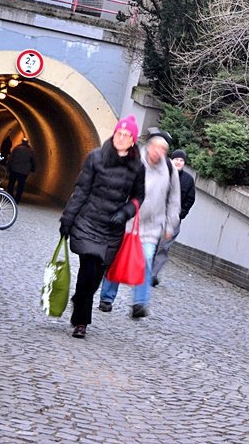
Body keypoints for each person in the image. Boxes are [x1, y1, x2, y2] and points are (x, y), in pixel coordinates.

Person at [59, 115, 145, 339]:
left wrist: (125, 212)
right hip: (88, 221)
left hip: (112, 228)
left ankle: (79, 300)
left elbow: (138, 197)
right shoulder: (95, 158)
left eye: (127, 136)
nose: (122, 138)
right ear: (114, 134)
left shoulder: (137, 167)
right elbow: (81, 190)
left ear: (133, 140)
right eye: (119, 134)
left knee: (96, 277)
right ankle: (81, 322)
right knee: (88, 269)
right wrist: (67, 219)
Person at [99, 133, 180, 319]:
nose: (159, 153)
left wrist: (170, 225)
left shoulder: (169, 169)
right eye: (157, 148)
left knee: (145, 260)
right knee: (119, 258)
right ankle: (107, 298)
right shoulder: (134, 161)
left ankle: (139, 303)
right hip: (127, 221)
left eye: (164, 150)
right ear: (149, 147)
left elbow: (174, 200)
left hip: (152, 226)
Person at [151, 148, 196, 287]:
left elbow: (190, 198)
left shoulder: (188, 180)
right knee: (151, 244)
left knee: (163, 247)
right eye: (176, 159)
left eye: (182, 160)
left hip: (173, 219)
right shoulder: (163, 173)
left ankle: (152, 275)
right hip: (156, 215)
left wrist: (181, 214)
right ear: (171, 160)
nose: (179, 162)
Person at [7, 137, 36, 204]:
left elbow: (11, 158)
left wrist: (8, 167)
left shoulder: (16, 149)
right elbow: (33, 161)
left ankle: (9, 197)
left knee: (11, 184)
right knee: (21, 185)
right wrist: (33, 169)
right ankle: (17, 200)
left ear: (22, 141)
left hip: (14, 169)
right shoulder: (31, 151)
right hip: (24, 171)